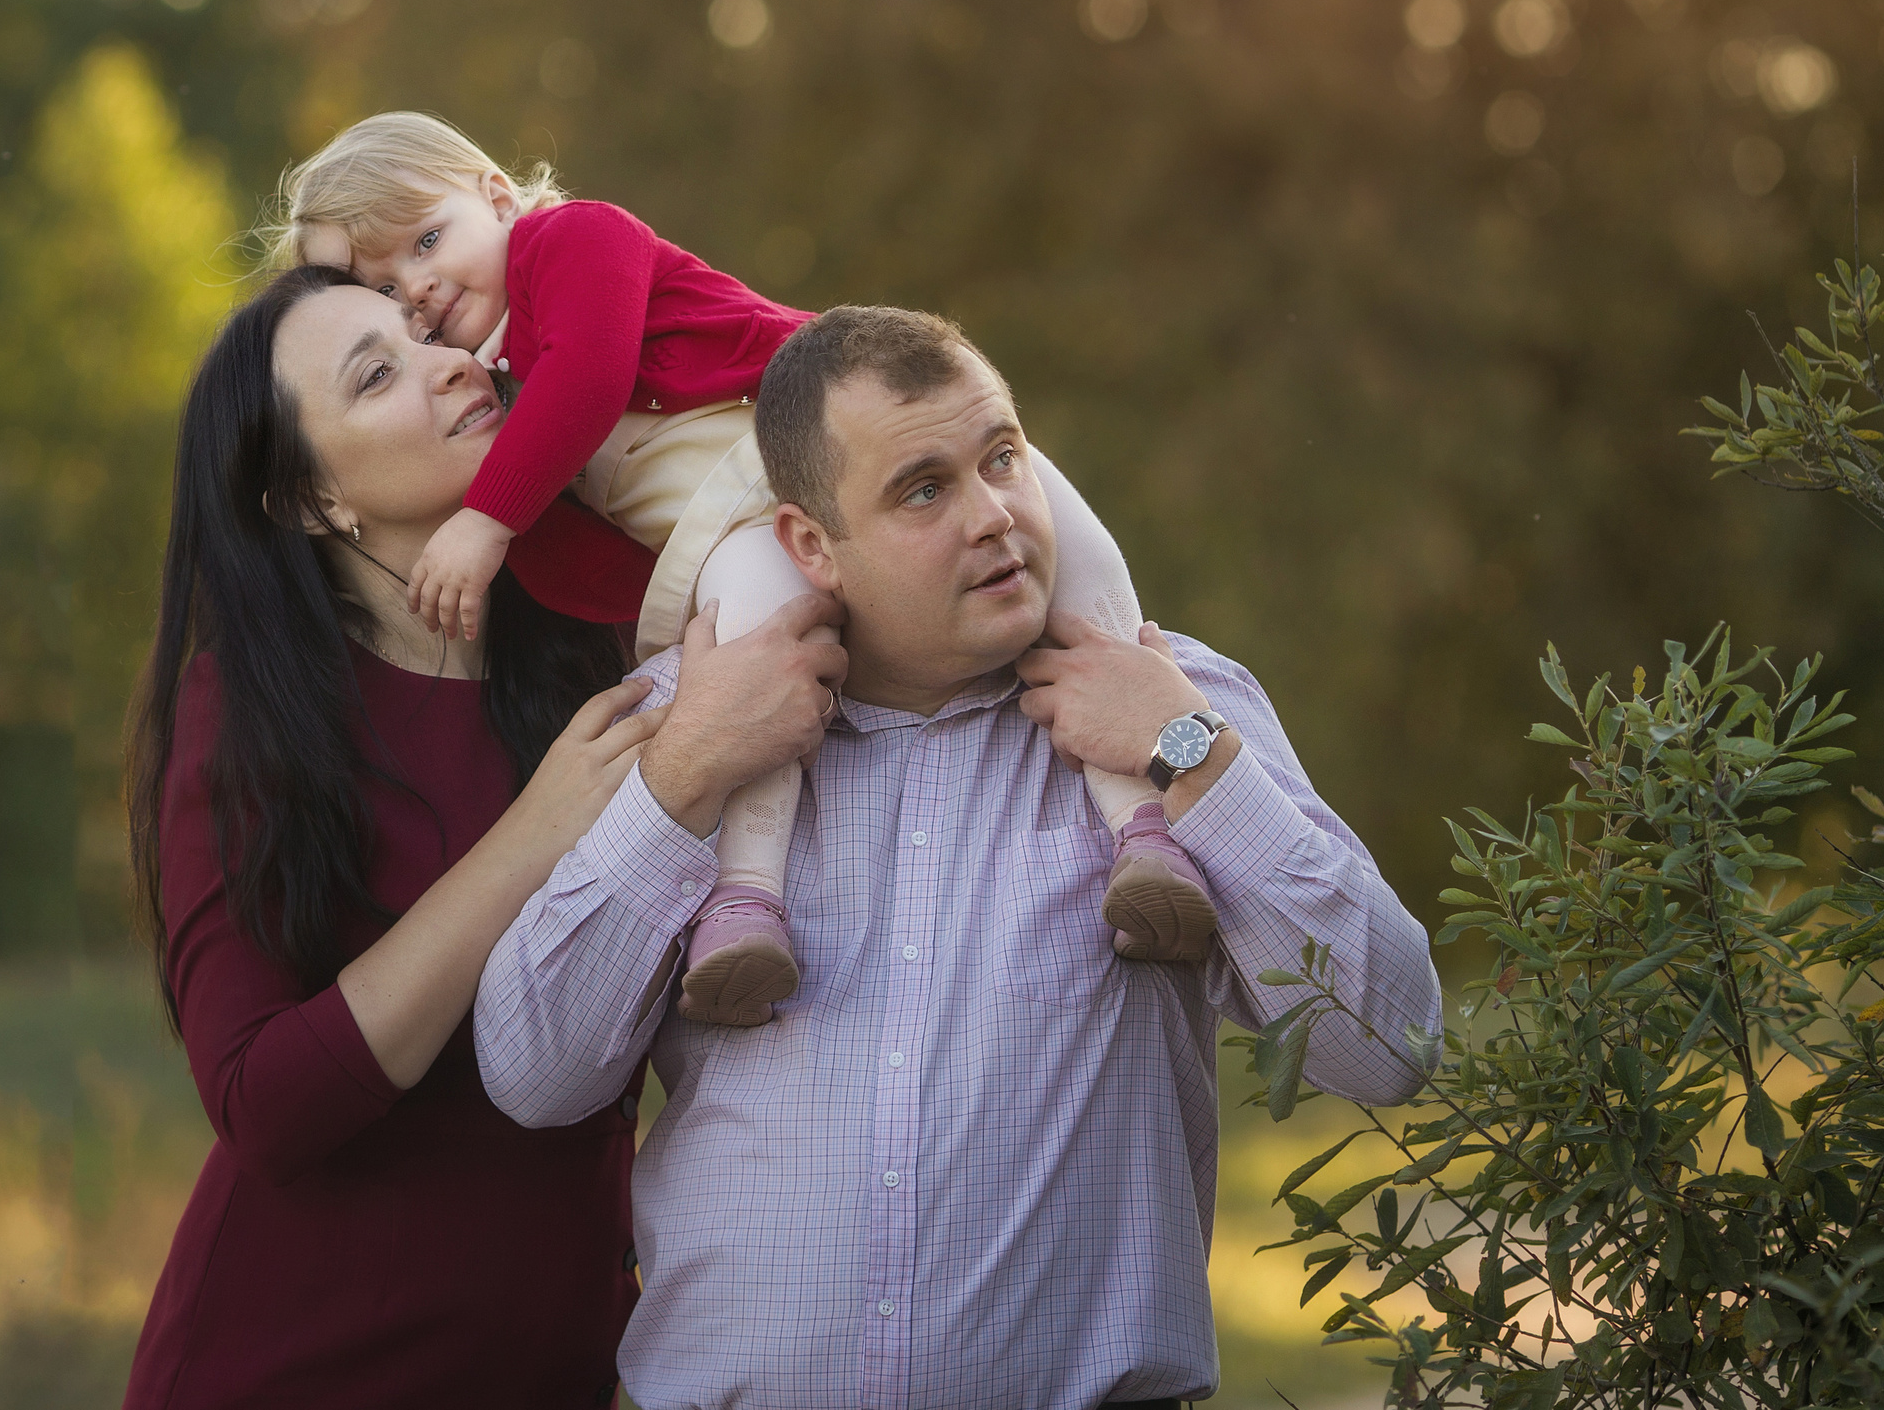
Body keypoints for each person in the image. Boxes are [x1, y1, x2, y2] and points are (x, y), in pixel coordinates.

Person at [474, 305, 1446, 1410]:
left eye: (1002, 457)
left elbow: (1391, 1041)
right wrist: (685, 771)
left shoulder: (1172, 704)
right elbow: (532, 1075)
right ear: (807, 543)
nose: (993, 515)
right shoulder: (682, 725)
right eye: (923, 488)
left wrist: (1187, 753)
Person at [276, 113, 1217, 1029]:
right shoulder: (501, 409)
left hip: (839, 438)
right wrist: (611, 597)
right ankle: (747, 904)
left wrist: (486, 521)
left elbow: (593, 371)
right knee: (758, 670)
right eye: (387, 288)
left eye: (429, 239)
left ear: (496, 195)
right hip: (738, 532)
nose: (421, 286)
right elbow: (598, 568)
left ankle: (1142, 827)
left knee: (1058, 542)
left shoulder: (569, 241)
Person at [118, 265, 679, 1409]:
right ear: (310, 501)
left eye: (428, 331)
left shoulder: (605, 638)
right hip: (294, 1369)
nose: (451, 363)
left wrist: (1161, 731)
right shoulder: (252, 716)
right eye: (378, 374)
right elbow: (260, 1099)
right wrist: (533, 837)